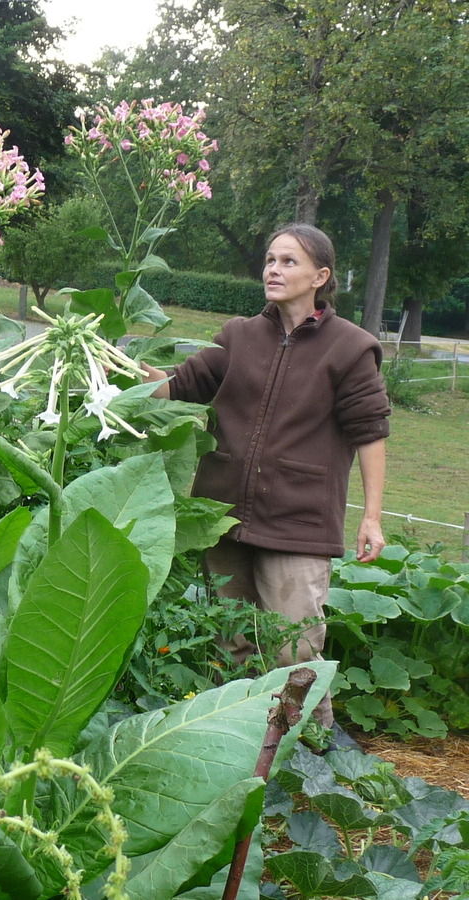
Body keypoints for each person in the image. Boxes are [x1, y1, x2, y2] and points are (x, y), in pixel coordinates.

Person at [141, 223, 390, 740]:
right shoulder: (239, 336)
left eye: (289, 262)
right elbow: (178, 387)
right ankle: (236, 743)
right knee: (230, 639)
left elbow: (371, 434)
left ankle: (313, 748)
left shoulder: (350, 348)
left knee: (293, 649)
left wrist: (371, 516)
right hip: (223, 513)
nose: (274, 270)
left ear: (320, 276)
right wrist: (117, 369)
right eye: (270, 260)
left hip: (297, 519)